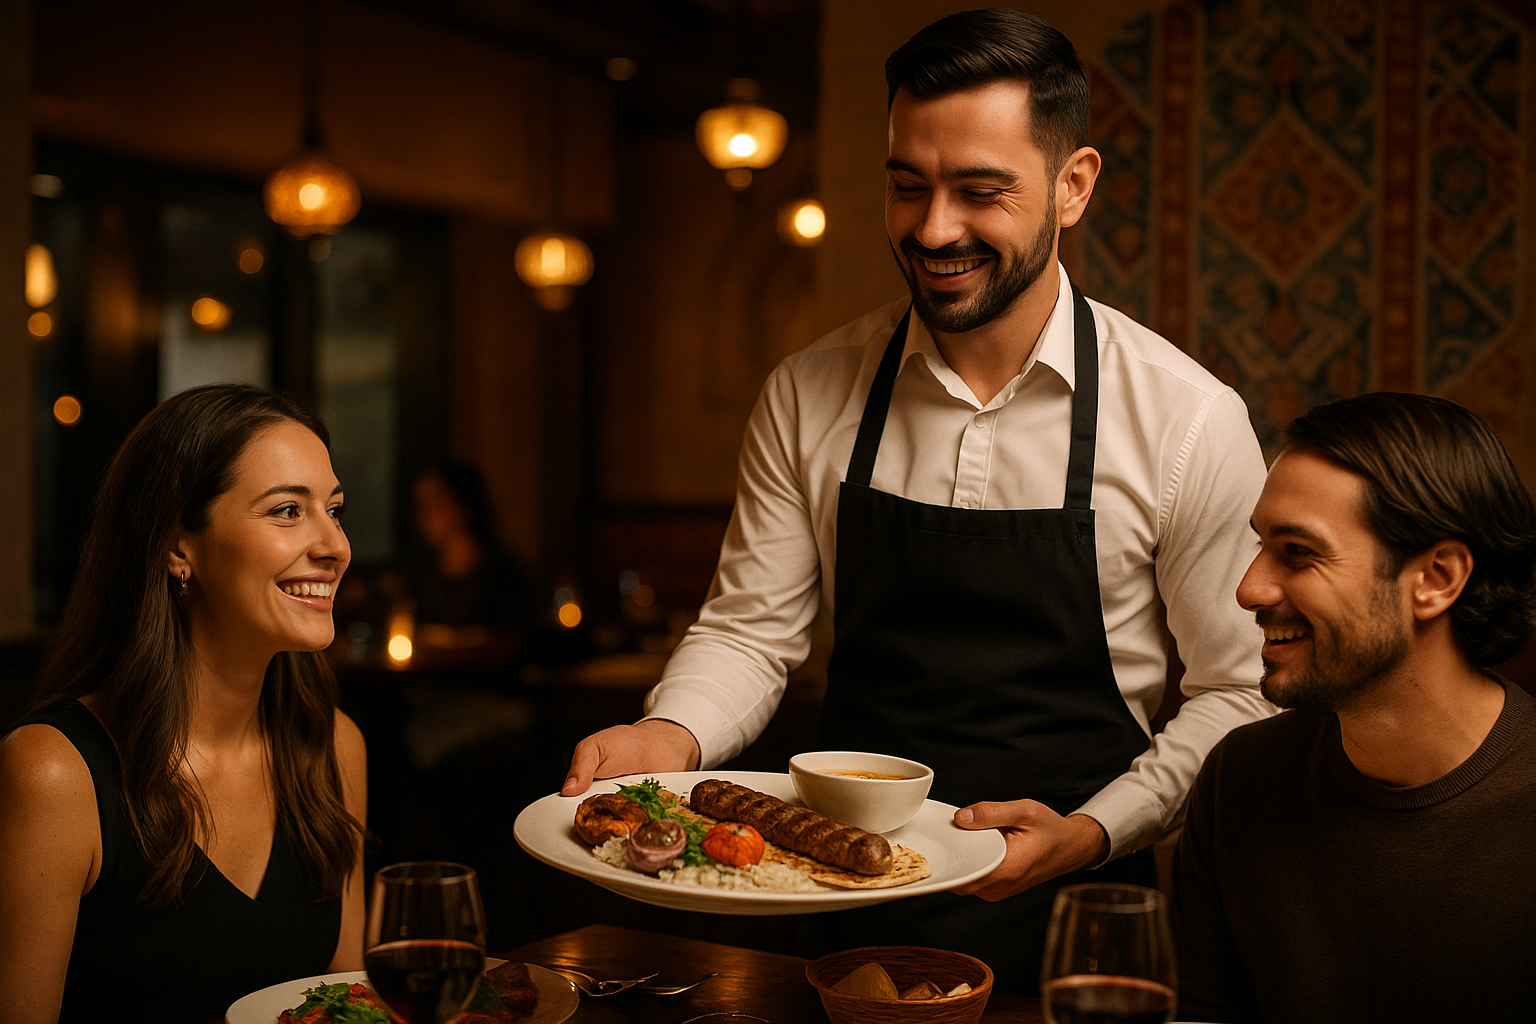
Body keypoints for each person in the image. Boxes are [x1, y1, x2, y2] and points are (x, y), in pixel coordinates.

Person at [562, 7, 1272, 989]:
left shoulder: (1188, 420)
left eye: (980, 192)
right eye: (908, 186)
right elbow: (750, 634)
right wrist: (666, 733)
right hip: (834, 900)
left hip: (1077, 928)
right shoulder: (809, 391)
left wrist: (1094, 829)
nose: (935, 228)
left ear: (1074, 186)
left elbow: (1239, 692)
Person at [0, 384, 367, 1024]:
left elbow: (346, 1004)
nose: (335, 545)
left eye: (333, 510)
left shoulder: (333, 746)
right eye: (286, 511)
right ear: (177, 545)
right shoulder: (54, 772)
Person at [1174, 392, 1536, 1023]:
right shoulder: (1239, 782)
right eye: (1259, 546)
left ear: (1437, 578)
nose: (1248, 589)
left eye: (1299, 553)